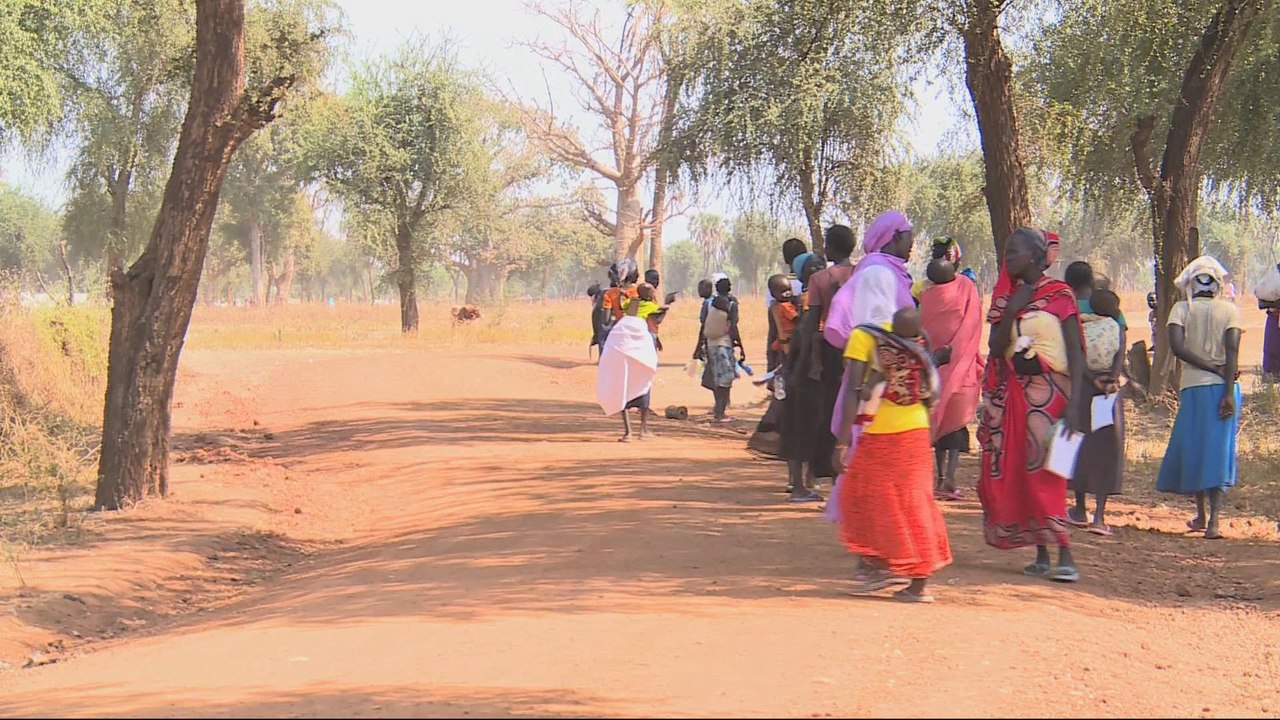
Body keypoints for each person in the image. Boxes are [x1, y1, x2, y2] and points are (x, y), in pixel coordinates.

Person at [977, 228, 1089, 584]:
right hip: (1015, 395)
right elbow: (996, 348)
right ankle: (1040, 550)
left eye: (1014, 253)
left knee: (1047, 469)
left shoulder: (1060, 295)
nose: (1007, 259)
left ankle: (1065, 550)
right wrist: (1012, 308)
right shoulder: (1007, 298)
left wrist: (1077, 406)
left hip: (1051, 395)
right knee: (1021, 469)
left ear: (1035, 256)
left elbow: (1076, 350)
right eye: (1006, 254)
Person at [835, 307, 951, 602]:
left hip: (885, 433)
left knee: (867, 496)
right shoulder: (917, 339)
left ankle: (915, 578)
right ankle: (885, 566)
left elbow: (852, 390)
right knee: (901, 499)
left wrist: (841, 442)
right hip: (916, 430)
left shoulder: (864, 336)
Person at [1157, 257, 1242, 540]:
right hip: (1224, 388)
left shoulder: (1180, 309)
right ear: (1217, 285)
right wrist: (1227, 391)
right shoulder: (1230, 311)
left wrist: (1207, 368)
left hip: (1193, 386)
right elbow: (1232, 352)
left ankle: (1202, 516)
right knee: (1218, 452)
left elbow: (1178, 349)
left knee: (1195, 449)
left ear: (1191, 285)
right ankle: (1214, 522)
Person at [824, 211, 918, 449]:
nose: (912, 243)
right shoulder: (878, 272)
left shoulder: (888, 269)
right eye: (909, 236)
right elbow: (879, 329)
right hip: (877, 379)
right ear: (895, 237)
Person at [778, 228, 858, 499]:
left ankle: (801, 485)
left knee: (807, 416)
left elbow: (811, 322)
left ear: (831, 248)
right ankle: (841, 485)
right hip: (860, 351)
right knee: (845, 417)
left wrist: (795, 364)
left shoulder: (820, 279)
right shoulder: (863, 275)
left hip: (824, 353)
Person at [920, 257, 984, 502]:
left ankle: (944, 479)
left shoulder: (927, 296)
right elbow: (972, 323)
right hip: (954, 366)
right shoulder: (963, 288)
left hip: (946, 367)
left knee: (945, 425)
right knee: (952, 428)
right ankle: (946, 479)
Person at [1069, 281, 1126, 536]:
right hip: (1108, 394)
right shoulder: (1116, 328)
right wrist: (1111, 380)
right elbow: (1120, 355)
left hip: (1083, 390)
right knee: (1106, 449)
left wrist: (1092, 379)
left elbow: (1077, 359)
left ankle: (1079, 509)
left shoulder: (1081, 326)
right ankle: (1100, 517)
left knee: (1080, 445)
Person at [596, 290, 659, 442]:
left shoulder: (631, 305)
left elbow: (621, 308)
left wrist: (622, 295)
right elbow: (656, 321)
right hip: (640, 353)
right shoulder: (652, 307)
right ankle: (643, 430)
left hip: (621, 348)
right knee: (643, 389)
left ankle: (628, 433)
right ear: (651, 296)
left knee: (622, 389)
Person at [700, 276, 742, 423]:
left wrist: (700, 346)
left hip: (711, 345)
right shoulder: (731, 305)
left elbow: (703, 325)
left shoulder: (710, 304)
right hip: (724, 344)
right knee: (726, 380)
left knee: (717, 379)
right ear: (729, 288)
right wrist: (741, 345)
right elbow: (733, 326)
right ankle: (720, 413)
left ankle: (718, 411)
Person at [767, 238, 809, 372]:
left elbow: (773, 328)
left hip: (784, 347)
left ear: (785, 260)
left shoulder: (776, 285)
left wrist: (770, 364)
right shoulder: (811, 284)